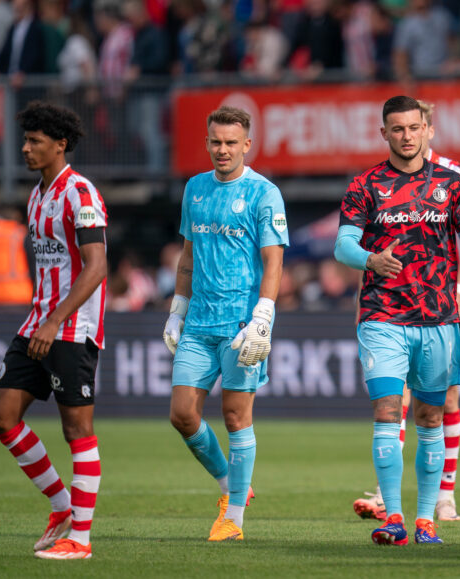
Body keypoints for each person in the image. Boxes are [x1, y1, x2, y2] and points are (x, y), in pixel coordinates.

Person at [334, 95, 460, 545]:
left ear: (428, 130)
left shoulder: (452, 183)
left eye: (413, 128)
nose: (406, 136)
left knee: (429, 417)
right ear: (384, 133)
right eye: (397, 129)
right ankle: (395, 519)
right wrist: (370, 259)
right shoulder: (366, 185)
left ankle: (427, 520)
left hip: (440, 319)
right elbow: (342, 246)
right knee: (387, 410)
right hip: (383, 316)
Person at [0, 101, 108, 560]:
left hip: (71, 328)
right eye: (25, 140)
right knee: (2, 416)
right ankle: (61, 507)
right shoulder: (37, 195)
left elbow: (97, 267)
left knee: (77, 429)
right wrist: (44, 318)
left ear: (61, 144)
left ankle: (81, 539)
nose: (26, 148)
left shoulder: (82, 194)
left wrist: (56, 319)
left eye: (35, 141)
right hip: (37, 324)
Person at [162, 105, 288, 542]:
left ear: (246, 145)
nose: (222, 149)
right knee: (182, 414)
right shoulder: (195, 189)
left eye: (231, 142)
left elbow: (274, 261)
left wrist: (263, 316)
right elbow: (187, 257)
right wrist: (177, 309)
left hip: (241, 323)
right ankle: (230, 485)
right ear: (207, 142)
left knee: (236, 416)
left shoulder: (264, 193)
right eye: (215, 141)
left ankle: (232, 517)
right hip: (198, 322)